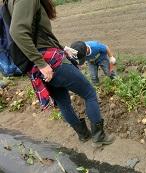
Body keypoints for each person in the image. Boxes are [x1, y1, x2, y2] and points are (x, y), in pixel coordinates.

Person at [7, 0, 114, 145]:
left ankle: (83, 135)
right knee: (89, 93)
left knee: (63, 103)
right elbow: (17, 31)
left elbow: (37, 34)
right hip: (48, 62)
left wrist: (61, 47)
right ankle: (99, 136)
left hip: (39, 65)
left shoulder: (11, 3)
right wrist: (42, 64)